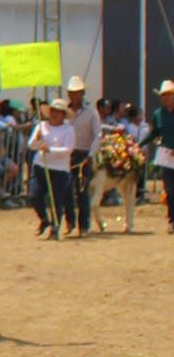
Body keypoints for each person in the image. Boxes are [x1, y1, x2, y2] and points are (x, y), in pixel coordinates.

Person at [28, 98, 76, 240]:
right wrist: (37, 140)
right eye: (53, 111)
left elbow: (68, 149)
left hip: (59, 169)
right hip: (40, 165)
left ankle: (55, 226)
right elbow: (31, 145)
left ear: (63, 114)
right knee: (34, 195)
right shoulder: (41, 126)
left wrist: (50, 149)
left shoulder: (68, 129)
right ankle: (44, 219)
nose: (54, 114)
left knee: (56, 200)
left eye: (58, 112)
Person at [63, 76, 99, 238]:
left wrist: (91, 154)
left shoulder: (91, 112)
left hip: (84, 153)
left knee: (82, 191)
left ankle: (83, 225)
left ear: (82, 93)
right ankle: (69, 222)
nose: (75, 95)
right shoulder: (63, 111)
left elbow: (97, 135)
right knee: (66, 189)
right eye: (72, 93)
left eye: (77, 92)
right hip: (66, 153)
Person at [141, 80, 174, 234]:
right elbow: (155, 133)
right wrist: (140, 144)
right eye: (163, 95)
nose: (165, 98)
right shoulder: (158, 114)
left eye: (168, 95)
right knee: (170, 189)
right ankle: (172, 220)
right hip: (167, 156)